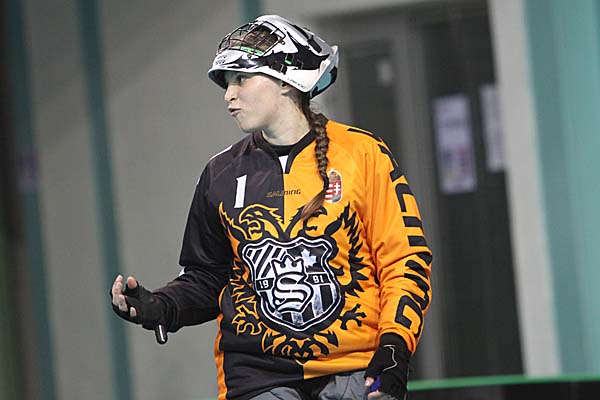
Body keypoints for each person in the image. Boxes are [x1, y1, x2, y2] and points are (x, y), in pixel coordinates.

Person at [111, 14, 432, 400]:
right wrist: (159, 306)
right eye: (226, 83)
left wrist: (395, 348)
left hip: (354, 367)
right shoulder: (220, 174)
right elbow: (208, 278)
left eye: (241, 78)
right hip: (255, 376)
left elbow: (405, 262)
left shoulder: (364, 154)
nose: (228, 95)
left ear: (286, 80)